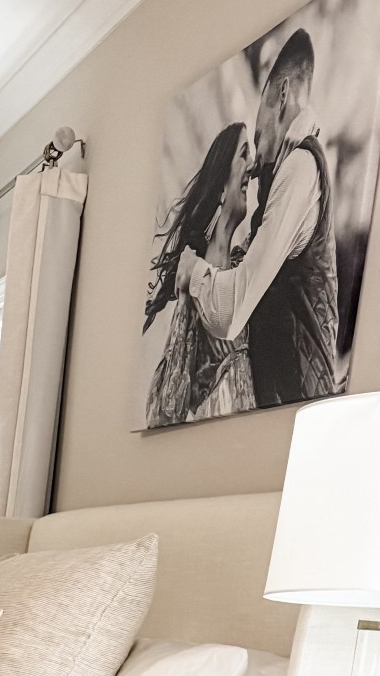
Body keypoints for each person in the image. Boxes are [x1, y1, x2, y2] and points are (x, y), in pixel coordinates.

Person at [175, 28, 338, 408]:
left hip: (298, 405)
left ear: (281, 96)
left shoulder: (299, 168)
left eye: (259, 118)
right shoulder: (288, 171)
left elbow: (230, 314)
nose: (253, 162)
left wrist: (192, 269)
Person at [143, 121, 257, 427]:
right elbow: (170, 405)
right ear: (221, 185)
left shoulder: (242, 261)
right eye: (244, 154)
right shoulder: (194, 277)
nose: (252, 165)